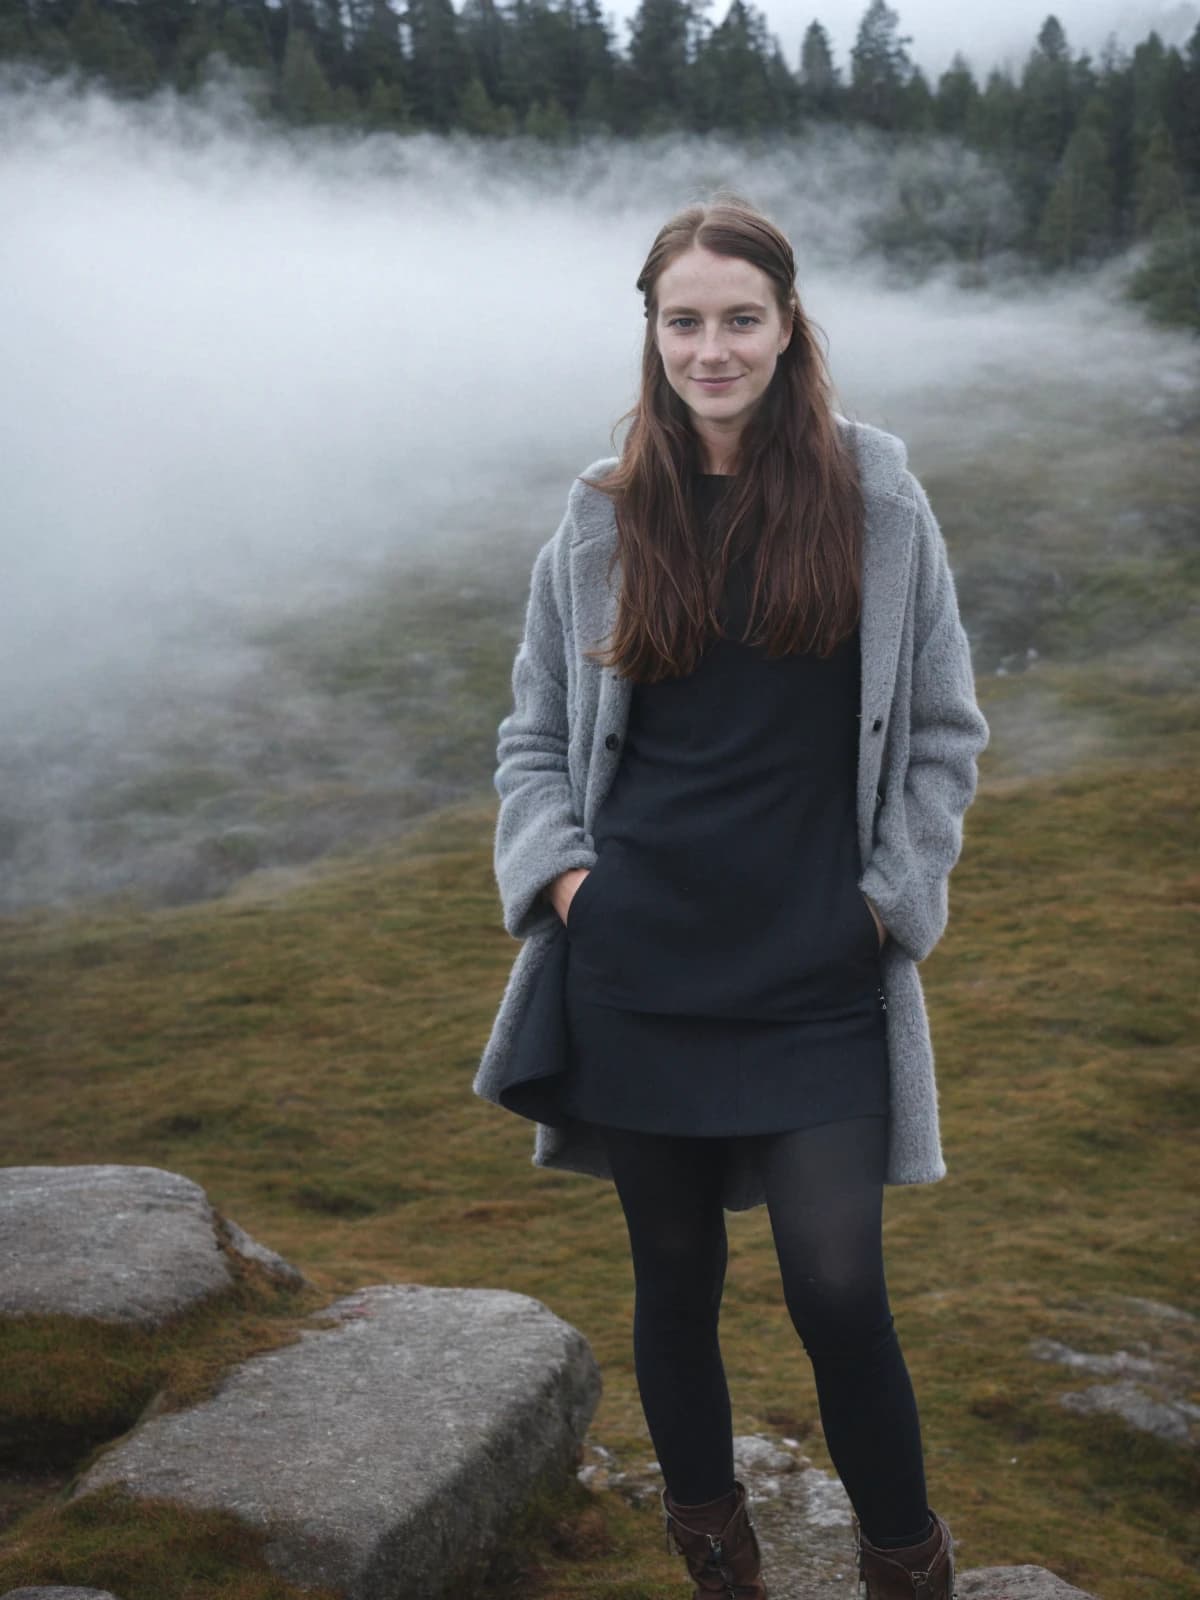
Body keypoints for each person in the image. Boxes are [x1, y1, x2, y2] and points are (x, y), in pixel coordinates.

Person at [474, 192, 989, 1600]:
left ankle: (907, 1570)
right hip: (637, 965)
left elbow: (943, 730)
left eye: (739, 319)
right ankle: (720, 1565)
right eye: (684, 320)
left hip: (821, 963)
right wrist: (572, 888)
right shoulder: (598, 518)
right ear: (651, 330)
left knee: (838, 1286)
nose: (712, 347)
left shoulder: (876, 495)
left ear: (786, 328)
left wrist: (886, 907)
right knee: (674, 1283)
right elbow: (532, 739)